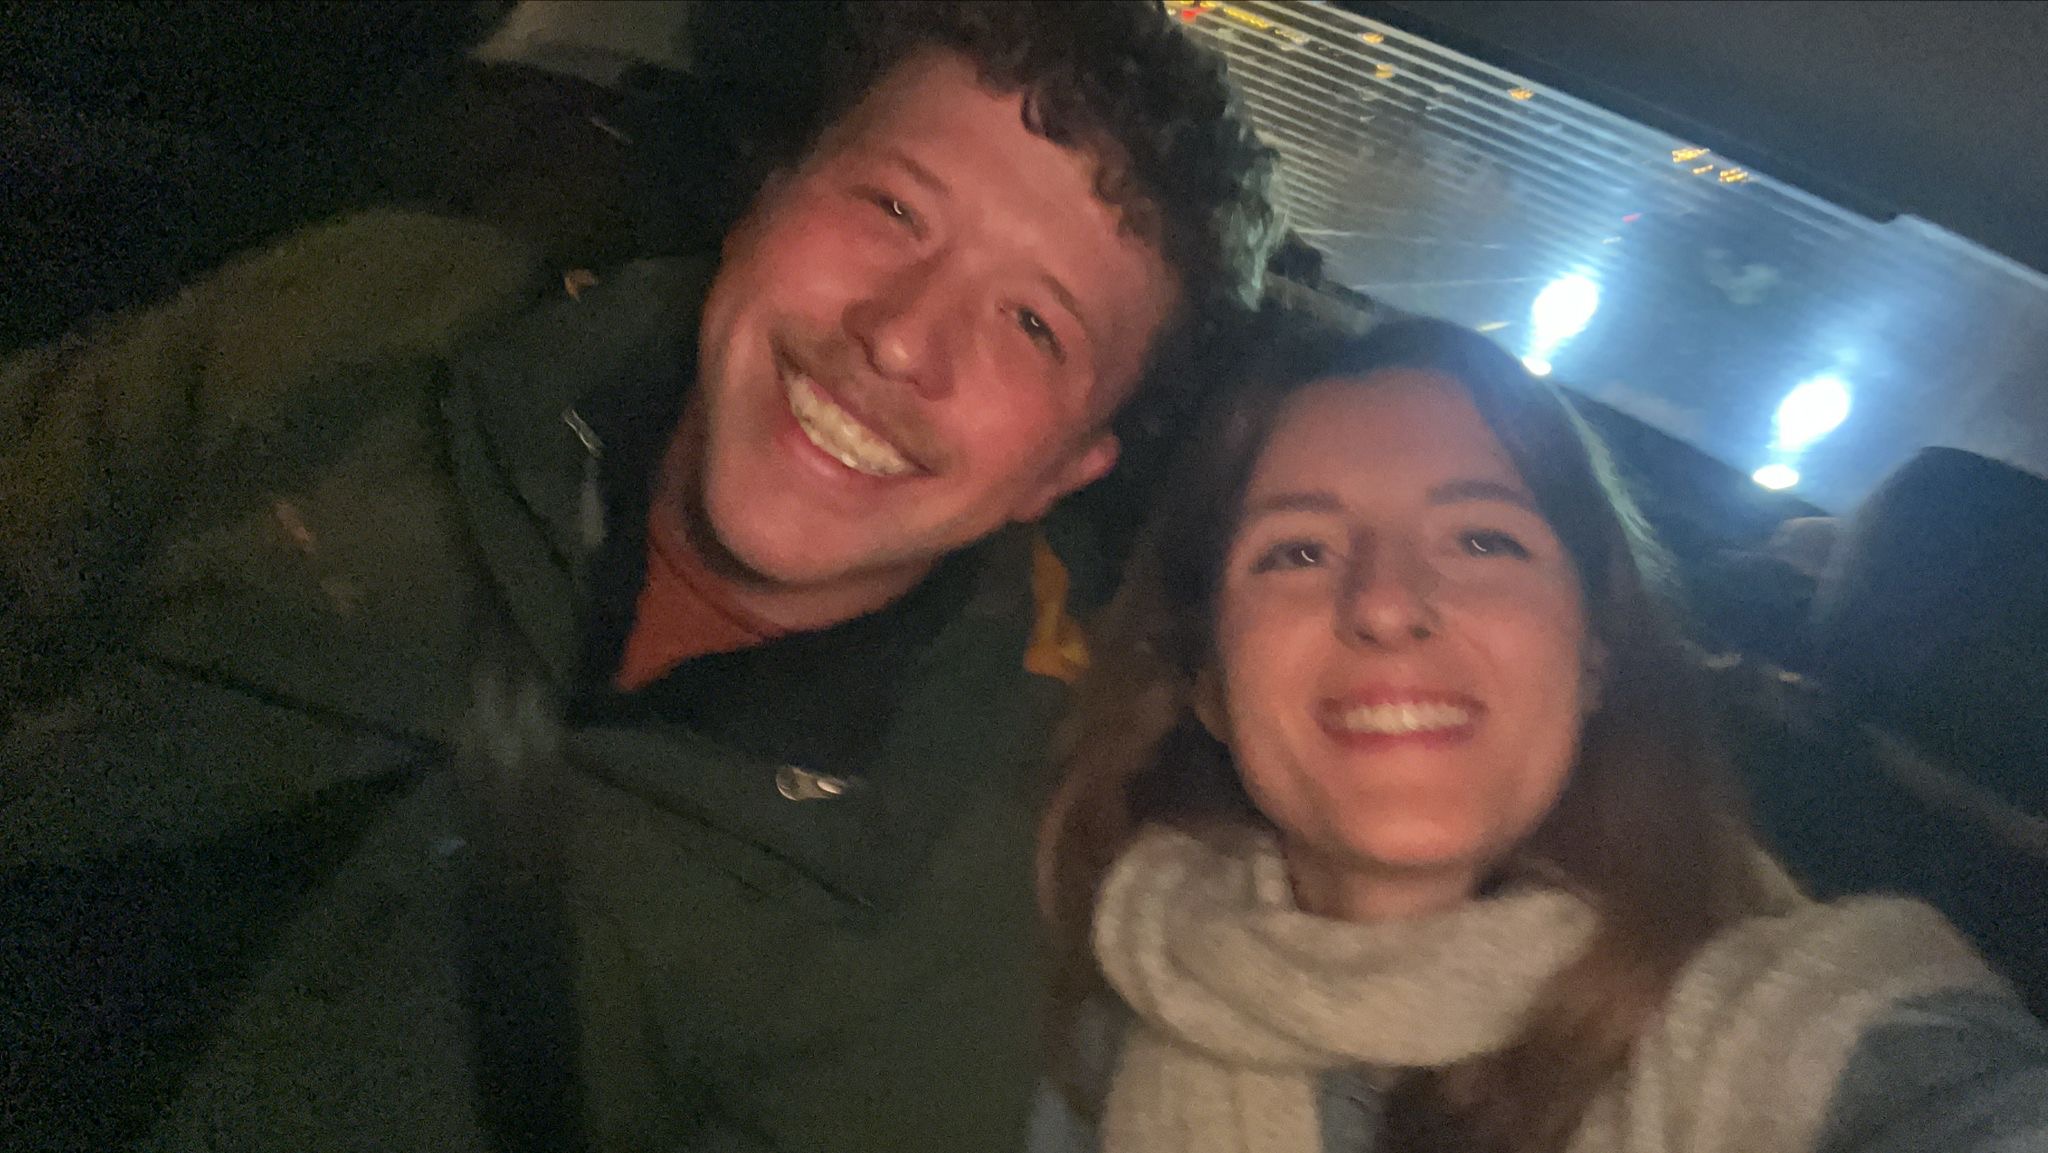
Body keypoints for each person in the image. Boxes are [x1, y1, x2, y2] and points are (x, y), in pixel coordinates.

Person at [0, 4, 1278, 1151]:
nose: (899, 338)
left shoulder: (969, 905)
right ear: (766, 196)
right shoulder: (369, 322)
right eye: (892, 208)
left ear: (1066, 468)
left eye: (1034, 323)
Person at [1034, 317, 2048, 1153]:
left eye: (1482, 538)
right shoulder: (1081, 1003)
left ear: (1595, 653)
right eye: (1297, 551)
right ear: (1208, 681)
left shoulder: (1811, 1022)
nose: (1385, 602)